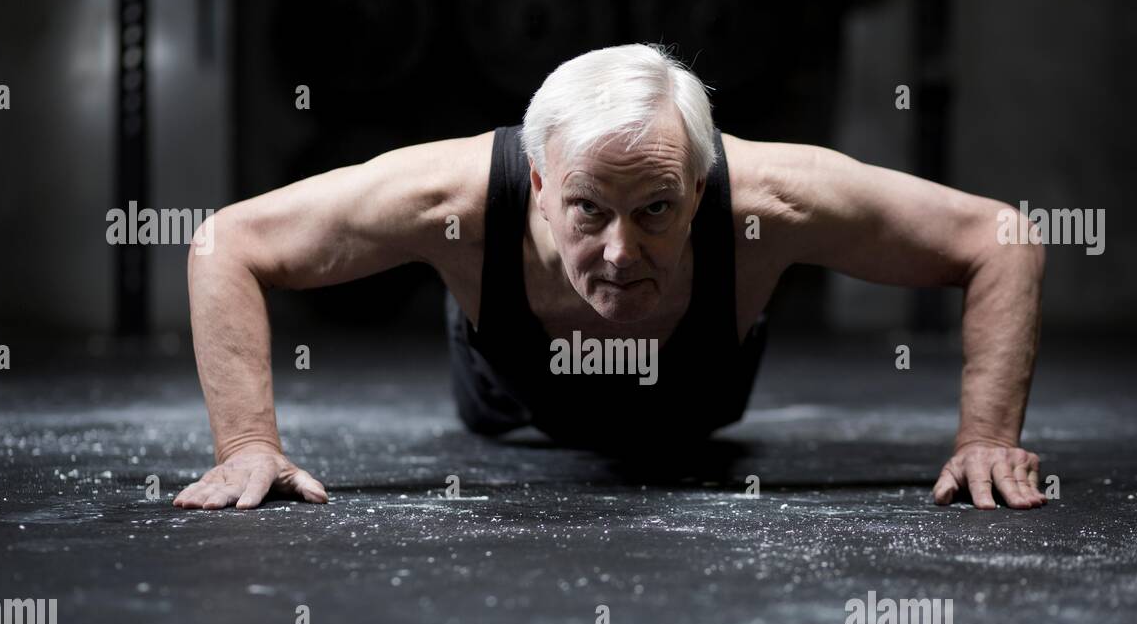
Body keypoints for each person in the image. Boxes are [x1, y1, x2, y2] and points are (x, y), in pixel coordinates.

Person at [174, 43, 1046, 512]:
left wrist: (985, 438)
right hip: (509, 398)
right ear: (542, 187)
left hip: (697, 406)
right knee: (487, 386)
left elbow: (1001, 236)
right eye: (589, 210)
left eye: (658, 211)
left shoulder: (773, 200)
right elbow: (228, 244)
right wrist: (247, 444)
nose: (622, 252)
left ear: (701, 188)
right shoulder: (450, 196)